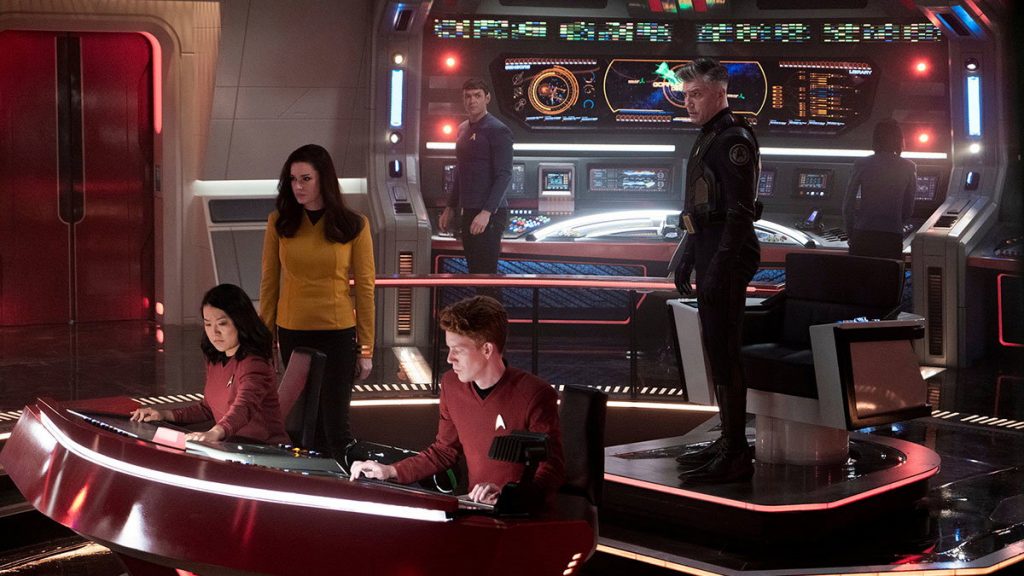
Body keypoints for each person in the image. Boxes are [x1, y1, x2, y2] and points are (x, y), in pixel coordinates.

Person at [349, 296, 563, 507]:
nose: (449, 358)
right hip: (476, 509)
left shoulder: (535, 394)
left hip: (524, 515)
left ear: (487, 350)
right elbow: (444, 451)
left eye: (458, 350)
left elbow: (552, 468)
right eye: (449, 349)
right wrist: (390, 470)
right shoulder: (451, 385)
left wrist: (511, 495)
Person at [672, 58, 761, 483]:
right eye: (686, 95)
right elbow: (702, 208)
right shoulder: (710, 136)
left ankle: (736, 451)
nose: (689, 103)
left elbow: (739, 214)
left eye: (697, 94)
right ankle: (728, 440)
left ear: (720, 93)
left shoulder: (732, 139)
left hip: (728, 255)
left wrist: (718, 268)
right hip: (711, 251)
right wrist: (690, 255)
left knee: (726, 350)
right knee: (716, 349)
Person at [260, 143, 375, 460]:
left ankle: (342, 480)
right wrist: (264, 341)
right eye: (293, 179)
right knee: (302, 421)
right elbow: (269, 284)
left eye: (305, 178)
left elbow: (365, 289)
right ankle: (308, 479)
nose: (298, 186)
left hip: (337, 332)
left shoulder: (354, 224)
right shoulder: (279, 222)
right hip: (293, 331)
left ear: (324, 179)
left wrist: (366, 348)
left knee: (335, 424)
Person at [131, 284, 288, 444]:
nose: (214, 332)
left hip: (265, 450)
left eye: (222, 323)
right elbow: (207, 408)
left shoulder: (254, 363)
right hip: (231, 446)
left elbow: (244, 407)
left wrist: (216, 432)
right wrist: (164, 414)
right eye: (208, 324)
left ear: (241, 322)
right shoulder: (216, 358)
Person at [437, 78, 513, 285]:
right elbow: (461, 171)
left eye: (477, 96)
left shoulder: (498, 130)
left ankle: (491, 308)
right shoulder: (462, 129)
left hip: (490, 214)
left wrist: (486, 212)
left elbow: (504, 174)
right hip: (468, 211)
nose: (472, 101)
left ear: (487, 98)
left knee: (486, 277)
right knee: (474, 275)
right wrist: (450, 207)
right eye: (468, 96)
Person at [843, 119, 917, 261]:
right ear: (899, 140)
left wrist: (851, 234)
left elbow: (847, 206)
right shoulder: (909, 167)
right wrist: (896, 223)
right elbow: (908, 209)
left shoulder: (861, 164)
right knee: (888, 274)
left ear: (875, 139)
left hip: (862, 234)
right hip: (892, 236)